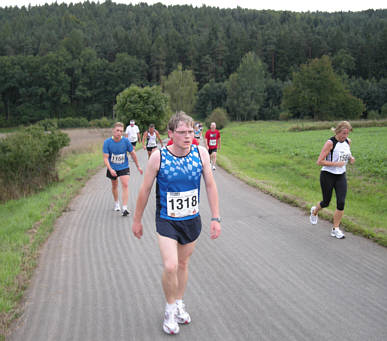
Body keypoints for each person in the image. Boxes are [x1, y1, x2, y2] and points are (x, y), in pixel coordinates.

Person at [132, 111, 221, 335]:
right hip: (166, 219)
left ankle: (179, 302)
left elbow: (210, 185)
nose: (188, 136)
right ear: (170, 133)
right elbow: (144, 190)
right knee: (171, 265)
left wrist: (215, 217)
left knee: (182, 264)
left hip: (191, 219)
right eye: (182, 132)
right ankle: (170, 308)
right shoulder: (158, 157)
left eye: (191, 131)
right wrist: (137, 220)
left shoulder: (201, 154)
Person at [309, 121, 355, 239]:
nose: (345, 136)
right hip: (327, 175)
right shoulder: (330, 143)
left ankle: (335, 229)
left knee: (341, 202)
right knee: (326, 202)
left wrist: (351, 158)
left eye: (347, 133)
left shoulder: (348, 141)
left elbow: (346, 153)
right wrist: (336, 164)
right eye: (343, 133)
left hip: (341, 176)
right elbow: (319, 161)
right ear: (338, 131)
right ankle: (315, 211)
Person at [103, 122, 143, 216]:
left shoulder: (125, 141)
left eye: (121, 131)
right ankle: (117, 203)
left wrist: (138, 166)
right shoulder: (107, 142)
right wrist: (110, 169)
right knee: (114, 186)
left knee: (125, 184)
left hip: (124, 166)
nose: (119, 133)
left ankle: (124, 208)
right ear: (113, 131)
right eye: (117, 130)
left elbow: (133, 153)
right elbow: (105, 158)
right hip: (112, 167)